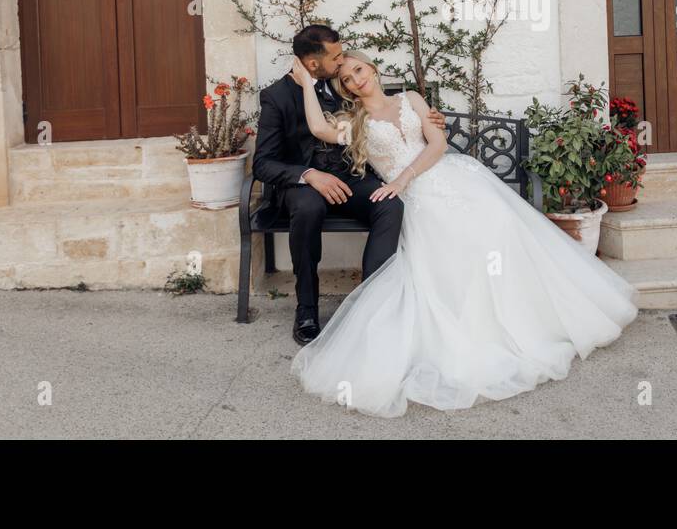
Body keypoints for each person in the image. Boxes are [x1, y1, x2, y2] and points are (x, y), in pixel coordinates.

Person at [288, 48, 639, 417]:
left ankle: (527, 318)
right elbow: (316, 128)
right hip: (414, 199)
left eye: (359, 69)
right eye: (346, 79)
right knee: (455, 242)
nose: (356, 78)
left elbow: (437, 144)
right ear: (345, 89)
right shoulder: (355, 120)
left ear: (372, 68)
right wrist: (307, 84)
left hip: (446, 177)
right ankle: (479, 332)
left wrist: (406, 176)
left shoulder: (411, 99)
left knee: (498, 225)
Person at [251, 25, 446, 345]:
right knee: (308, 207)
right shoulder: (277, 97)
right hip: (304, 186)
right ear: (313, 64)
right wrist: (309, 175)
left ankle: (374, 299)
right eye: (336, 56)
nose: (342, 61)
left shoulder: (344, 86)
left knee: (389, 203)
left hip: (351, 179)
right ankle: (307, 309)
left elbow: (385, 116)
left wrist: (433, 121)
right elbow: (263, 163)